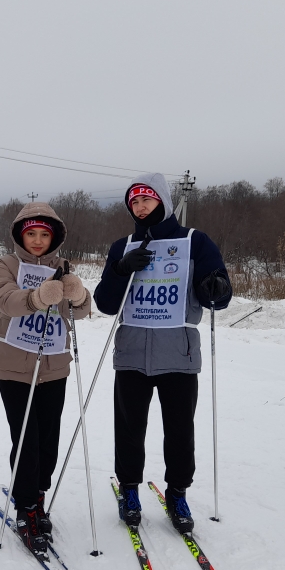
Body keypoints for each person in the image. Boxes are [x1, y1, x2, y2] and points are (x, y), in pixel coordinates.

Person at [93, 173, 231, 534]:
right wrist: (120, 269)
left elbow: (218, 295)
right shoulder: (122, 246)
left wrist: (215, 288)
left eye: (147, 199)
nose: (140, 207)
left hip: (178, 354)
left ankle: (177, 493)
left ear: (164, 201)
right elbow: (105, 304)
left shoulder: (194, 241)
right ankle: (129, 490)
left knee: (180, 430)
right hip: (132, 353)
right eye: (134, 202)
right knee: (129, 428)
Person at [0, 203, 90, 553]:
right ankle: (25, 505)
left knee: (48, 440)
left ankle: (38, 496)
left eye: (43, 234)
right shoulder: (6, 264)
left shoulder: (62, 267)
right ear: (20, 235)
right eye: (30, 233)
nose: (36, 240)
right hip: (15, 367)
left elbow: (82, 311)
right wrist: (35, 298)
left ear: (54, 237)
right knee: (26, 440)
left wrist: (78, 294)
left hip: (54, 366)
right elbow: (5, 300)